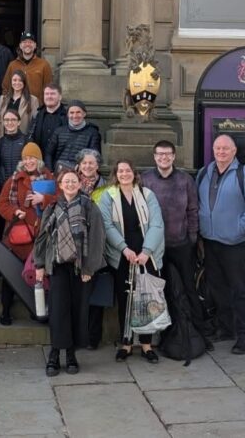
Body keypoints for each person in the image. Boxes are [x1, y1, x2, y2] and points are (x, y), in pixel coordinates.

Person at [34, 168, 105, 377]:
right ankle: (54, 355)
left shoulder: (89, 206)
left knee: (77, 311)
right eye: (67, 181)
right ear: (61, 184)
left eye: (74, 181)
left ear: (80, 184)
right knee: (58, 311)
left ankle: (71, 355)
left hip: (79, 267)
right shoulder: (53, 206)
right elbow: (42, 237)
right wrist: (39, 265)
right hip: (57, 266)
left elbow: (97, 238)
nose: (71, 185)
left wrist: (89, 267)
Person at [197, 134, 245, 354]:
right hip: (211, 242)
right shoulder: (204, 173)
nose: (221, 152)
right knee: (217, 289)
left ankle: (244, 336)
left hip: (236, 244)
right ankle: (225, 329)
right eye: (217, 148)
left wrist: (238, 228)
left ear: (234, 151)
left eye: (226, 148)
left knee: (240, 290)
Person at [98, 160, 165, 363]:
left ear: (134, 173)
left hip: (147, 256)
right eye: (121, 171)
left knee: (147, 301)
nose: (125, 174)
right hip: (122, 256)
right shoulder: (108, 196)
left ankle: (146, 345)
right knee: (125, 301)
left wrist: (146, 251)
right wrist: (124, 249)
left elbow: (157, 224)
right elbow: (107, 226)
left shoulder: (147, 195)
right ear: (115, 174)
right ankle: (126, 343)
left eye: (128, 170)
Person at [141, 140, 208, 340]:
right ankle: (168, 336)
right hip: (155, 248)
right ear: (154, 157)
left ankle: (199, 333)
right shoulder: (145, 180)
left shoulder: (185, 180)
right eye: (160, 154)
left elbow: (193, 210)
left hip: (181, 244)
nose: (164, 157)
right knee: (162, 291)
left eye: (167, 154)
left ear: (173, 156)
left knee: (189, 288)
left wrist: (193, 238)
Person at [0, 143, 55, 325]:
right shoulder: (13, 179)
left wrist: (42, 199)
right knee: (10, 274)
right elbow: (1, 204)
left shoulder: (49, 177)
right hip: (16, 237)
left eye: (33, 158)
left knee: (37, 276)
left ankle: (36, 309)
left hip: (39, 236)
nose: (29, 161)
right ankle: (5, 310)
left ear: (39, 160)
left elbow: (59, 199)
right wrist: (14, 212)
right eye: (26, 158)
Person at [75, 147, 108, 349]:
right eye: (85, 163)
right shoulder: (71, 182)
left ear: (98, 165)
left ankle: (93, 338)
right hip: (76, 248)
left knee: (96, 295)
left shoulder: (107, 186)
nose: (88, 166)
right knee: (78, 295)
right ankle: (79, 335)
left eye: (92, 163)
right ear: (79, 165)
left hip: (98, 244)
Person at [44, 101, 102, 174]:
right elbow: (49, 153)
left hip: (81, 174)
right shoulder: (59, 131)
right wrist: (50, 171)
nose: (75, 116)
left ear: (84, 114)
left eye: (78, 112)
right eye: (71, 113)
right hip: (58, 173)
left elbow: (95, 157)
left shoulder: (93, 133)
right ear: (67, 115)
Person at [0, 70, 40, 149]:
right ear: (11, 82)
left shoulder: (32, 100)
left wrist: (30, 141)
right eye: (14, 80)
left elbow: (35, 123)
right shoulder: (4, 99)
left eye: (20, 80)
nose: (17, 83)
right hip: (5, 139)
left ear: (24, 82)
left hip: (22, 141)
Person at [0, 109, 27, 214]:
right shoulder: (0, 143)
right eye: (6, 120)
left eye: (13, 120)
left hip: (21, 187)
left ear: (19, 122)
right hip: (3, 187)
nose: (10, 123)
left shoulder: (26, 140)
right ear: (3, 122)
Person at [2, 30, 53, 102]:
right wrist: (9, 104)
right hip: (17, 108)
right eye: (24, 42)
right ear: (20, 45)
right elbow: (6, 87)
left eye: (30, 42)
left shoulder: (44, 65)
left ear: (35, 45)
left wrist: (43, 107)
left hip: (37, 108)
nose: (27, 44)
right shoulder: (12, 65)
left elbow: (49, 87)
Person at [29, 83, 67, 152]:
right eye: (46, 94)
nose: (49, 96)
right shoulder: (37, 115)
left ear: (60, 97)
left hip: (59, 160)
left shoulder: (67, 116)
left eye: (52, 94)